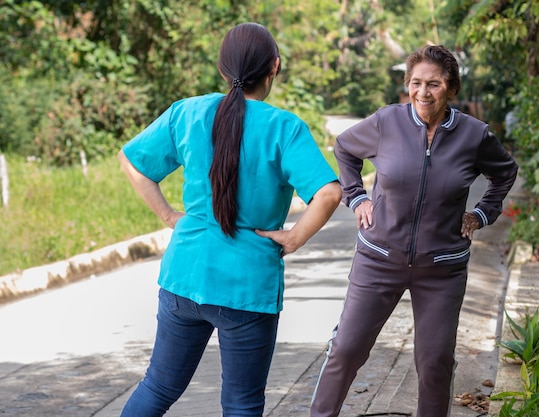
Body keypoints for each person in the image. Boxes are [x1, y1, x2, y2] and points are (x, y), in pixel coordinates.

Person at [117, 22, 342, 417]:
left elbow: (132, 161)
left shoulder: (186, 112)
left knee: (158, 386)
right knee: (241, 404)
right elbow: (329, 192)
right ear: (274, 67)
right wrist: (292, 239)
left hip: (183, 277)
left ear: (223, 68)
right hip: (247, 285)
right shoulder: (284, 127)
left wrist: (170, 216)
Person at [310, 45, 518, 417]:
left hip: (442, 267)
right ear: (408, 86)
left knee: (436, 362)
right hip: (378, 260)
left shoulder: (474, 135)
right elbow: (344, 149)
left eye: (434, 84)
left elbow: (505, 173)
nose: (423, 93)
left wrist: (481, 214)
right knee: (346, 348)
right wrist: (357, 198)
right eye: (416, 83)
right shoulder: (386, 122)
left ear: (450, 89)